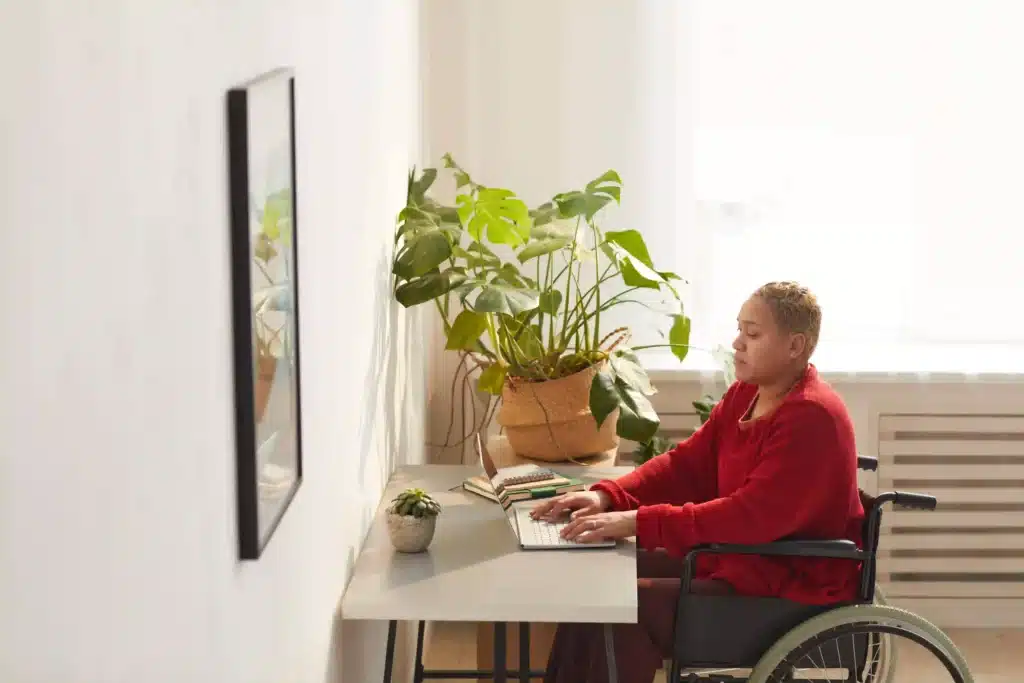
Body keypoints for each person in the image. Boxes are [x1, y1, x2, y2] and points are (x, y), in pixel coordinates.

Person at [530, 281, 866, 683]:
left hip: (789, 580)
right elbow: (686, 463)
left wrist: (638, 521)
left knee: (622, 605)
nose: (738, 343)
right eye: (739, 329)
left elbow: (750, 516)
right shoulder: (747, 393)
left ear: (795, 346)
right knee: (596, 576)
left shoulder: (811, 416)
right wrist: (608, 497)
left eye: (753, 333)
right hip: (742, 559)